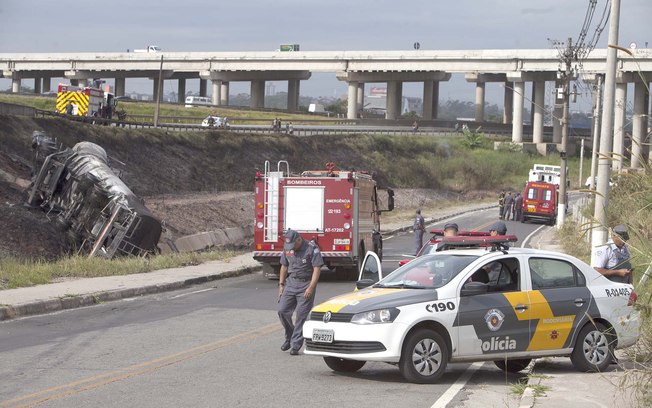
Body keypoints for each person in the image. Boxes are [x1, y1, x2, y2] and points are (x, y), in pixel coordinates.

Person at [278, 229, 324, 355]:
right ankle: (290, 335)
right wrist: (281, 284)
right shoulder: (288, 248)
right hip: (291, 283)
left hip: (306, 284)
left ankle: (295, 344)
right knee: (282, 311)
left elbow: (317, 268)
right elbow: (284, 266)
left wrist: (311, 287)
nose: (291, 248)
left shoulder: (311, 248)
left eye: (293, 245)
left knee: (301, 316)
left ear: (299, 239)